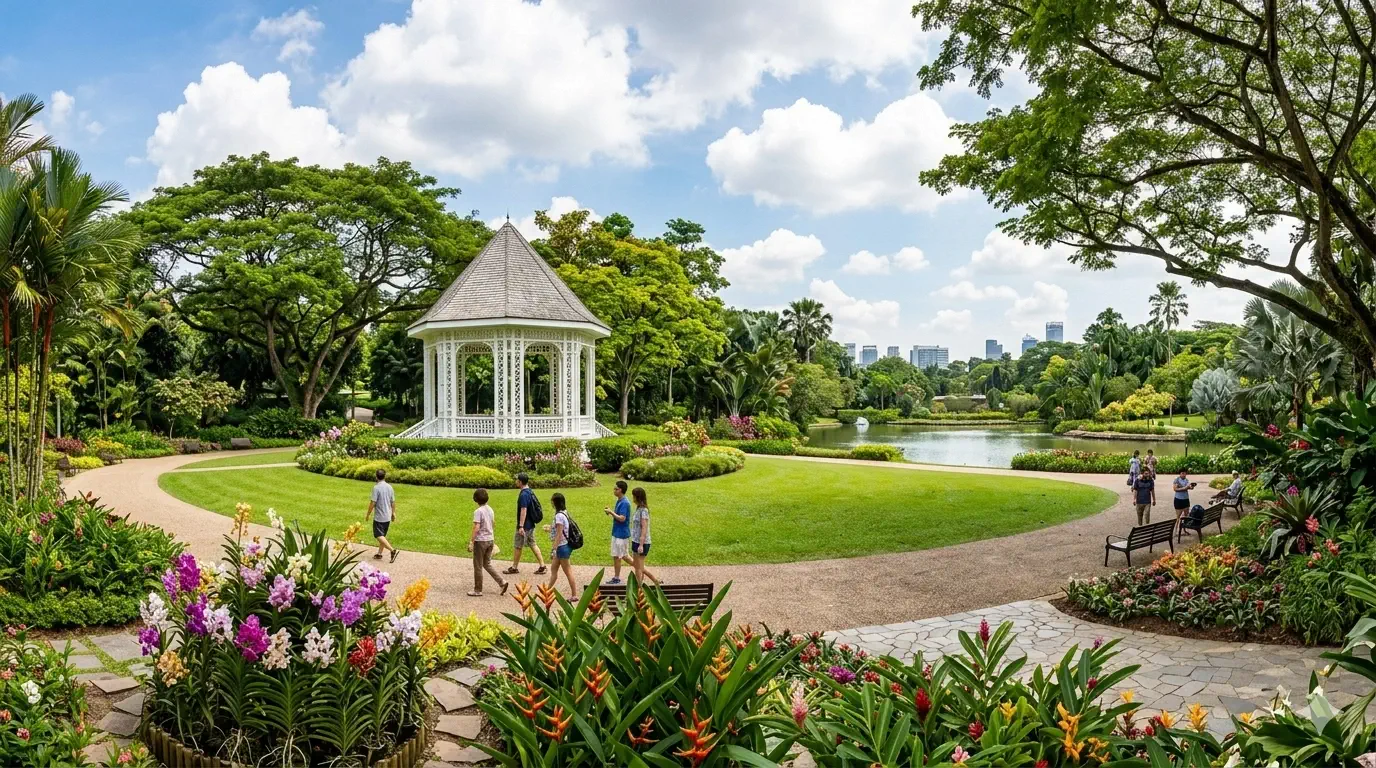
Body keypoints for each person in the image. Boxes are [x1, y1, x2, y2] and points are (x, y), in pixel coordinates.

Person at [466, 488, 508, 597]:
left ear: (475, 499)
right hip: (490, 540)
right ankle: (502, 582)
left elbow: (476, 527)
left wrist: (472, 541)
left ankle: (478, 590)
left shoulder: (478, 512)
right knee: (487, 564)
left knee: (478, 565)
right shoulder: (490, 509)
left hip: (481, 541)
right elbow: (493, 524)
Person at [505, 473, 546, 575]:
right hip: (531, 524)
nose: (516, 482)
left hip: (525, 526)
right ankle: (542, 566)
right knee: (532, 544)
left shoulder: (523, 494)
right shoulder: (530, 491)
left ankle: (514, 567)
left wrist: (521, 526)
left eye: (517, 480)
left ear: (520, 482)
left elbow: (524, 510)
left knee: (518, 545)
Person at [543, 492, 576, 596]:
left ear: (555, 502)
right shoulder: (564, 512)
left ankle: (574, 595)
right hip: (562, 546)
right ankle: (547, 591)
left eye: (552, 501)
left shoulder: (559, 516)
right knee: (553, 570)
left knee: (568, 571)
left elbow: (559, 534)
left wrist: (553, 549)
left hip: (562, 547)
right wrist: (550, 528)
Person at [630, 487, 660, 586]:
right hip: (635, 540)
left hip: (642, 542)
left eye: (634, 496)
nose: (633, 498)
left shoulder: (644, 511)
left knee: (639, 568)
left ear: (637, 497)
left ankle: (643, 586)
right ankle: (647, 583)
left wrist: (641, 545)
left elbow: (644, 528)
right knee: (637, 566)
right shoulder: (638, 509)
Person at [605, 480, 633, 584]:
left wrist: (611, 512)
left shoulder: (625, 502)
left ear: (620, 490)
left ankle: (641, 569)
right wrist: (611, 512)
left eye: (615, 489)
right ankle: (616, 578)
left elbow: (622, 518)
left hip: (622, 534)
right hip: (616, 533)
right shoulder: (620, 500)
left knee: (625, 556)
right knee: (616, 556)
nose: (614, 490)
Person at [368, 469, 400, 563]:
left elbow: (373, 502)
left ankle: (392, 550)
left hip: (379, 517)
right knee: (383, 536)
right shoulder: (390, 487)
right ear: (384, 476)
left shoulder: (376, 488)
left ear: (376, 476)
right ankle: (379, 554)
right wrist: (393, 513)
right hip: (387, 516)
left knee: (378, 535)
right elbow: (393, 502)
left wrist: (368, 514)